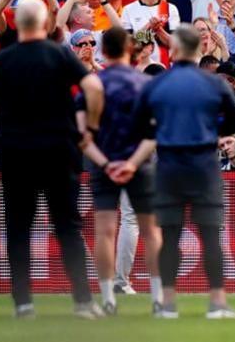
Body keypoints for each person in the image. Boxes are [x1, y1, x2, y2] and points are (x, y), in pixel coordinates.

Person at [0, 0, 104, 318]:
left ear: (17, 23)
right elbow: (93, 87)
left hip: (16, 150)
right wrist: (89, 128)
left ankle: (23, 303)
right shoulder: (59, 55)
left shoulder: (2, 61)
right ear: (44, 23)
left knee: (19, 228)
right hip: (59, 149)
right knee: (67, 226)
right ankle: (82, 301)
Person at [111, 23, 235, 319]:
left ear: (174, 49)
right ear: (199, 49)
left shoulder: (156, 84)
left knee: (169, 236)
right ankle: (218, 303)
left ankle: (167, 303)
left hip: (168, 164)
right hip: (204, 163)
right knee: (210, 235)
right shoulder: (215, 83)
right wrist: (210, 129)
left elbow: (140, 125)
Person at [77, 27, 162, 315]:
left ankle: (108, 298)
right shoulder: (144, 85)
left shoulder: (92, 84)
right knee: (150, 230)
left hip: (104, 164)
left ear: (104, 50)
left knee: (104, 231)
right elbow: (153, 135)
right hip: (139, 163)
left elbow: (81, 136)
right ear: (128, 49)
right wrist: (132, 163)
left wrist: (105, 163)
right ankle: (159, 297)